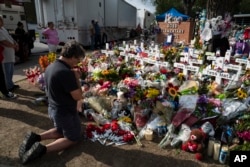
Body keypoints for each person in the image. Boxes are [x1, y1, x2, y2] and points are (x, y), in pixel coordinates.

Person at [18, 40, 86, 164]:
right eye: (77, 60)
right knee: (73, 137)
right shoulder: (66, 73)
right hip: (65, 111)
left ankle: (36, 137)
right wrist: (76, 79)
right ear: (72, 57)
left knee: (61, 131)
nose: (77, 63)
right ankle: (42, 150)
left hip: (54, 108)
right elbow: (78, 96)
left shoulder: (52, 66)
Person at [0, 15, 20, 92]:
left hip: (10, 54)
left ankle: (11, 84)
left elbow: (10, 37)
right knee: (6, 72)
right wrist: (13, 46)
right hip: (5, 56)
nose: (2, 21)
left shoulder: (3, 29)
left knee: (11, 71)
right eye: (1, 20)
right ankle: (8, 86)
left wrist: (16, 43)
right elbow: (3, 41)